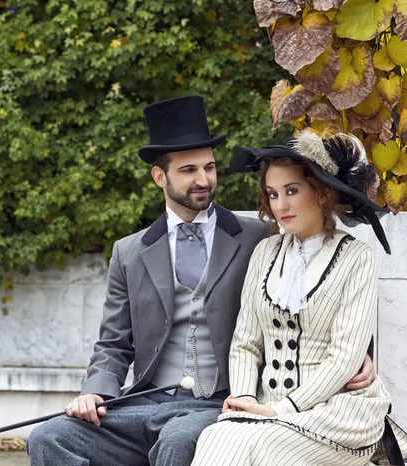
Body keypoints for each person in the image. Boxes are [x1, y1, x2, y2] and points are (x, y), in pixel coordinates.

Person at [26, 97, 376, 466]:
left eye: (209, 167)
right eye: (189, 170)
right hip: (144, 403)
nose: (204, 179)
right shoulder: (128, 253)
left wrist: (360, 354)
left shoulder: (259, 237)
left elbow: (313, 287)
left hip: (216, 403)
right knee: (50, 437)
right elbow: (113, 344)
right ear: (160, 177)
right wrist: (94, 392)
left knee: (178, 441)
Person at [191, 131, 395, 466]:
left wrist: (281, 409)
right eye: (272, 194)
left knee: (267, 447)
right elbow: (246, 342)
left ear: (322, 192)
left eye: (291, 191)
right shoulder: (265, 253)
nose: (280, 205)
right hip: (267, 403)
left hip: (337, 411)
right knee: (217, 436)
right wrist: (243, 399)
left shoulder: (357, 258)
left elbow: (344, 358)